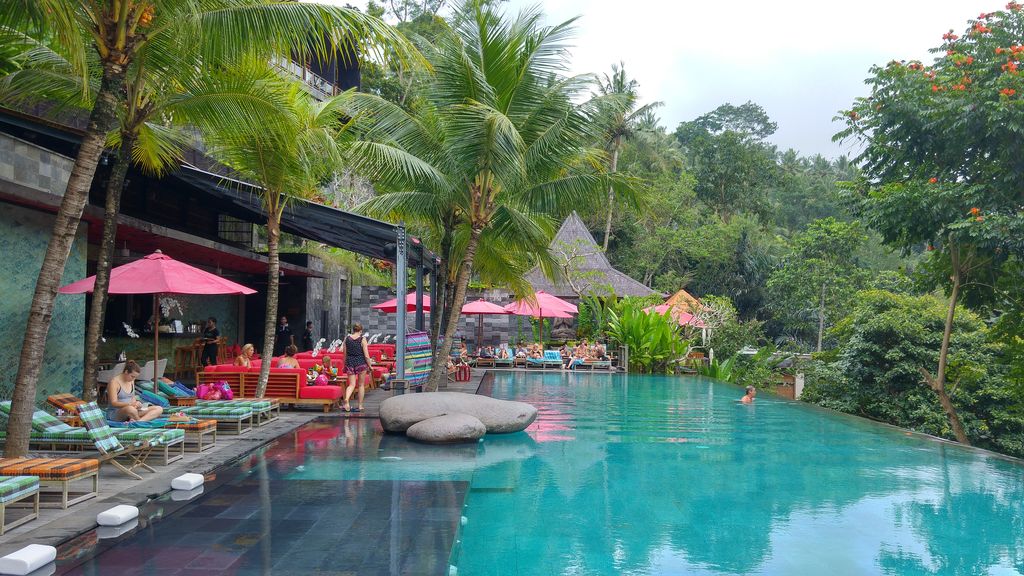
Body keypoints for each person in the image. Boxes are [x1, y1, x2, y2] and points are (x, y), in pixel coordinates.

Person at [341, 323, 372, 413]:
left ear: (353, 330)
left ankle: (346, 399)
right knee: (361, 385)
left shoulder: (346, 339)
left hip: (350, 362)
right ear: (361, 331)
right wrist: (370, 366)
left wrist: (344, 364)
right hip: (361, 362)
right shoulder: (362, 339)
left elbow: (344, 354)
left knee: (351, 384)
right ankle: (360, 405)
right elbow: (366, 355)